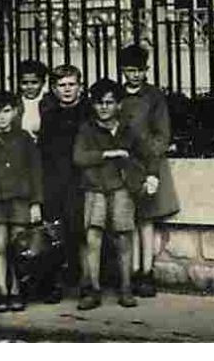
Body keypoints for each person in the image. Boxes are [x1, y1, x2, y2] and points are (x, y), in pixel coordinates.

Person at [73, 78, 158, 311]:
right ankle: (92, 289)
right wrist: (109, 154)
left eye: (109, 102)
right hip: (94, 189)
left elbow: (149, 154)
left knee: (123, 237)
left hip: (121, 188)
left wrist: (151, 176)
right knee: (93, 238)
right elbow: (79, 157)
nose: (104, 107)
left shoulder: (128, 129)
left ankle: (126, 288)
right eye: (99, 102)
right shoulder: (87, 129)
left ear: (119, 105)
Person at [117, 43, 180, 297]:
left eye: (140, 70)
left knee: (146, 221)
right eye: (130, 70)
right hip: (123, 164)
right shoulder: (117, 95)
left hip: (147, 164)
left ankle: (146, 271)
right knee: (127, 220)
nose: (135, 75)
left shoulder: (154, 96)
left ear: (146, 70)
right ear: (123, 70)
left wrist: (151, 167)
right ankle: (130, 272)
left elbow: (161, 134)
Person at [0, 90, 43, 312]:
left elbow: (35, 171)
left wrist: (35, 202)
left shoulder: (24, 138)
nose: (1, 117)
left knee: (17, 246)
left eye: (6, 111)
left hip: (20, 199)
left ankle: (16, 290)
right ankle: (2, 291)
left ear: (15, 111)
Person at [37, 63, 87, 302]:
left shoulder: (88, 114)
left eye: (71, 85)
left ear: (80, 86)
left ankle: (86, 284)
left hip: (82, 182)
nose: (67, 90)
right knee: (55, 234)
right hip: (55, 182)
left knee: (83, 233)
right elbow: (43, 153)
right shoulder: (49, 116)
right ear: (54, 90)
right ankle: (54, 284)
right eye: (61, 85)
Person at [16, 60, 48, 140]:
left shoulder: (50, 102)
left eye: (34, 82)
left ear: (43, 83)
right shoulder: (14, 103)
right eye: (24, 83)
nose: (29, 87)